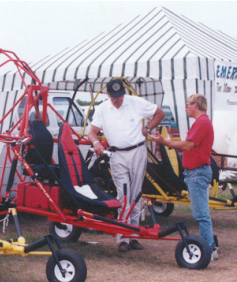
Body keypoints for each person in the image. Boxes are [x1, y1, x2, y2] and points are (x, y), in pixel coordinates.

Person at [88, 78, 165, 253]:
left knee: (136, 194)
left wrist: (148, 128)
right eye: (114, 97)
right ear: (108, 95)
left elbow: (159, 113)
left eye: (121, 96)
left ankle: (134, 236)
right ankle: (122, 237)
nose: (118, 100)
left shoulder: (136, 102)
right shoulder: (102, 109)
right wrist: (96, 144)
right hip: (117, 155)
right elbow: (92, 132)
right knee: (124, 195)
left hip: (137, 151)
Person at [149, 94, 218, 261]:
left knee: (201, 214)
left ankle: (209, 249)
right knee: (201, 213)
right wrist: (169, 142)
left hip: (197, 173)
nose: (186, 108)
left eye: (188, 104)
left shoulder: (202, 123)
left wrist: (166, 142)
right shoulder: (202, 122)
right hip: (196, 172)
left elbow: (187, 145)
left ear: (195, 105)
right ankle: (210, 247)